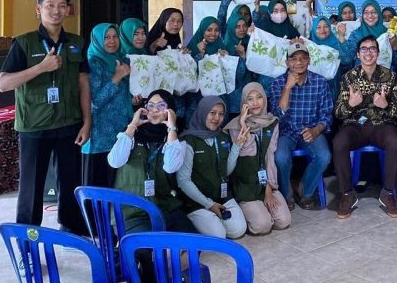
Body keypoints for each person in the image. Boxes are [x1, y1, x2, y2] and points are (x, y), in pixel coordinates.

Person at [0, 0, 90, 236]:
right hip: (34, 127)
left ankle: (72, 226)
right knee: (32, 187)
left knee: (71, 181)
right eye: (50, 5)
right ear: (39, 9)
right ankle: (28, 235)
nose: (56, 11)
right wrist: (41, 67)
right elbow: (4, 83)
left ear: (68, 10)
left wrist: (86, 121)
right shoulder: (24, 43)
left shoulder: (76, 42)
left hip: (68, 123)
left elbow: (83, 82)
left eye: (62, 6)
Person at [108, 89, 195, 283]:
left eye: (161, 106)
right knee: (146, 251)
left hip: (163, 204)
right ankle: (129, 256)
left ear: (170, 111)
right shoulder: (130, 135)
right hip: (133, 209)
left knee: (191, 242)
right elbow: (114, 161)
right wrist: (132, 126)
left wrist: (172, 129)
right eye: (150, 105)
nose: (155, 110)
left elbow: (171, 166)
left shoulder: (172, 138)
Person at [334, 35, 397, 219]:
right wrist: (351, 104)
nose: (368, 52)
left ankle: (388, 193)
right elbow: (339, 113)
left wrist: (385, 106)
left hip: (381, 124)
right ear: (358, 54)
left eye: (372, 49)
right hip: (356, 125)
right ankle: (347, 194)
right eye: (364, 49)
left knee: (396, 141)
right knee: (339, 142)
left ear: (378, 53)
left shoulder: (390, 76)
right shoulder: (349, 77)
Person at [269, 41, 333, 210]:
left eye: (303, 58)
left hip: (310, 129)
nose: (299, 62)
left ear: (309, 60)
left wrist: (316, 130)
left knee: (324, 156)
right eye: (294, 59)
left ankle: (305, 190)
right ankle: (287, 194)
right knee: (280, 157)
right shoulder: (278, 82)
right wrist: (288, 88)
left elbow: (327, 114)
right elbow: (277, 116)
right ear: (287, 62)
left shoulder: (319, 82)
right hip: (286, 131)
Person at [177, 96, 248, 239]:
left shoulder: (221, 137)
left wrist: (237, 146)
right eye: (212, 113)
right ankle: (199, 219)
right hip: (197, 202)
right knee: (218, 235)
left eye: (221, 114)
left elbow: (226, 171)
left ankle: (212, 219)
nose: (217, 118)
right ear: (203, 112)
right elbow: (183, 181)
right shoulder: (188, 141)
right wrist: (208, 204)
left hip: (221, 197)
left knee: (238, 230)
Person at [224, 82, 291, 234]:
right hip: (246, 185)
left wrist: (268, 190)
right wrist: (243, 126)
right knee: (263, 225)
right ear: (244, 103)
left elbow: (270, 157)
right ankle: (247, 209)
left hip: (266, 183)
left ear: (264, 99)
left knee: (283, 221)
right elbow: (247, 156)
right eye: (250, 99)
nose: (255, 103)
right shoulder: (234, 127)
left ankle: (261, 206)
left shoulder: (271, 123)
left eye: (259, 97)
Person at [83, 23, 132, 188]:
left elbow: (122, 95)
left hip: (121, 133)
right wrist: (116, 78)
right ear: (97, 40)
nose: (112, 41)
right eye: (106, 37)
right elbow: (94, 102)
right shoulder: (93, 63)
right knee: (99, 192)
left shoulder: (122, 60)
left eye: (115, 36)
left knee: (117, 188)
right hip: (99, 137)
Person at [221, 12, 254, 117]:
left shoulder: (251, 42)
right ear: (231, 28)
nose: (242, 29)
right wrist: (242, 57)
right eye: (237, 27)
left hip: (251, 97)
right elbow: (235, 77)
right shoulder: (225, 48)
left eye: (244, 26)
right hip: (233, 102)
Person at [309, 15, 344, 101]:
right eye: (318, 27)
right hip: (313, 87)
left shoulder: (337, 42)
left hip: (334, 85)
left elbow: (346, 60)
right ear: (313, 29)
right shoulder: (308, 45)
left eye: (326, 26)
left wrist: (341, 39)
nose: (322, 30)